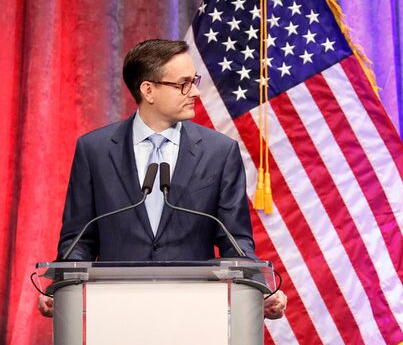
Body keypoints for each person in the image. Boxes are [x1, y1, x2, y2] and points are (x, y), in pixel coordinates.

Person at [38, 39, 286, 318]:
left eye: (194, 81)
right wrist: (60, 288)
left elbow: (236, 241)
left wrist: (261, 289)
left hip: (193, 313)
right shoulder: (94, 150)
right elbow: (79, 239)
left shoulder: (220, 152)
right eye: (183, 83)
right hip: (116, 313)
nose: (194, 92)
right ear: (148, 90)